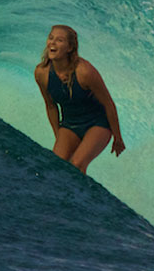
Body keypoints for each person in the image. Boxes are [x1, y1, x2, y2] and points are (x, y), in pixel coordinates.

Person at [34, 24, 124, 174]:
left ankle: (80, 197)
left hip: (97, 123)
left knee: (77, 165)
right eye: (51, 38)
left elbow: (108, 103)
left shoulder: (85, 72)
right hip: (70, 123)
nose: (53, 43)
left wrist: (118, 138)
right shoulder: (41, 73)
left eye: (59, 40)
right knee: (56, 165)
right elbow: (51, 106)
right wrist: (58, 136)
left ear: (70, 48)